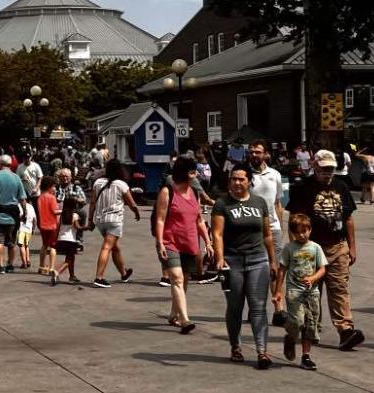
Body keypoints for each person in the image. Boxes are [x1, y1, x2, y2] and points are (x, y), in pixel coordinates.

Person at [287, 151, 367, 351]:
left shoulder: (341, 186)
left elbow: (348, 218)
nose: (328, 172)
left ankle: (345, 330)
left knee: (339, 288)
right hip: (312, 248)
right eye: (324, 169)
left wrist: (352, 247)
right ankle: (311, 328)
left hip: (338, 246)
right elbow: (294, 219)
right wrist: (295, 249)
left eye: (331, 168)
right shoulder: (303, 188)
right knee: (312, 292)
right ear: (315, 166)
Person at [213, 166, 277, 368]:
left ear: (249, 181)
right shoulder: (222, 204)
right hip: (233, 262)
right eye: (234, 179)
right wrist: (220, 258)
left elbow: (267, 234)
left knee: (258, 307)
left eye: (241, 179)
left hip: (258, 260)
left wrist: (273, 260)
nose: (237, 183)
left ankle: (262, 351)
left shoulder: (260, 203)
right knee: (235, 307)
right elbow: (217, 234)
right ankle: (236, 346)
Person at [152, 157, 206, 333]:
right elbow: (160, 219)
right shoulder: (168, 192)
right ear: (183, 173)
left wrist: (208, 242)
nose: (195, 175)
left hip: (189, 242)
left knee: (184, 282)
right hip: (169, 241)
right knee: (177, 278)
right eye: (192, 172)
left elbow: (199, 220)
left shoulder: (195, 193)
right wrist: (160, 242)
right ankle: (184, 320)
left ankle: (173, 314)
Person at [280, 213, 326, 369]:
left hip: (312, 293)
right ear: (293, 233)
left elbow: (322, 269)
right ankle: (291, 337)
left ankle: (306, 356)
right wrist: (277, 291)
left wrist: (313, 278)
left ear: (310, 230)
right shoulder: (289, 248)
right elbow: (282, 269)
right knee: (297, 321)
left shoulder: (315, 248)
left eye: (304, 231)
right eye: (298, 232)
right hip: (294, 291)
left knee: (310, 325)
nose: (301, 235)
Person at [87, 160, 140, 288]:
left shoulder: (98, 183)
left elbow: (92, 203)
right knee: (107, 246)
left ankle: (123, 273)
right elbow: (131, 203)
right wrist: (136, 213)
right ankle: (99, 277)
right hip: (114, 220)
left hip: (100, 220)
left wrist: (90, 219)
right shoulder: (121, 184)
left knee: (114, 247)